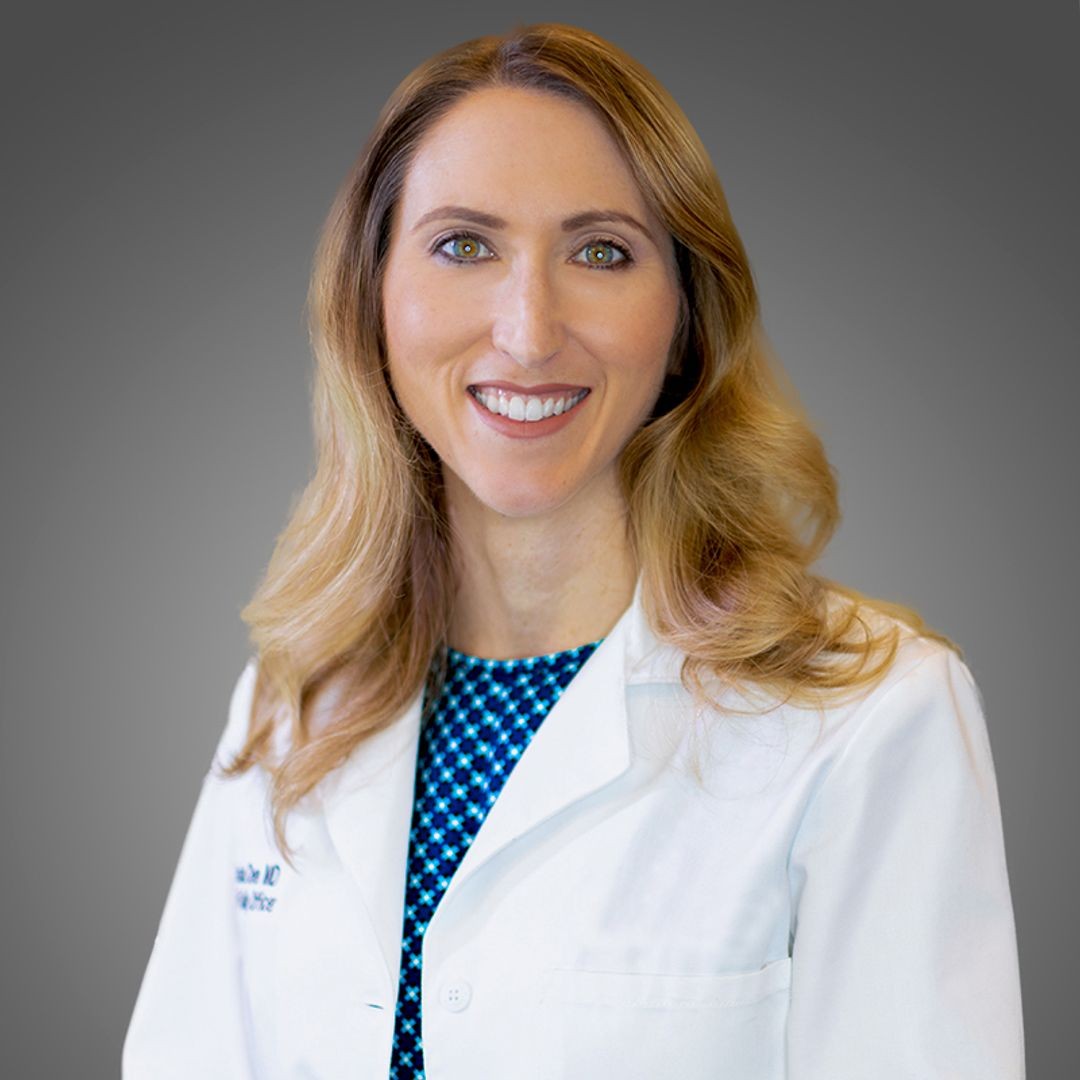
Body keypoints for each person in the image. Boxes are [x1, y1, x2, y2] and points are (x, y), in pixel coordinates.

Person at [122, 22, 1025, 1080]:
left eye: (601, 251)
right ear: (374, 301)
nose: (528, 327)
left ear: (686, 317)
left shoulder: (871, 716)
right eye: (464, 245)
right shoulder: (291, 703)